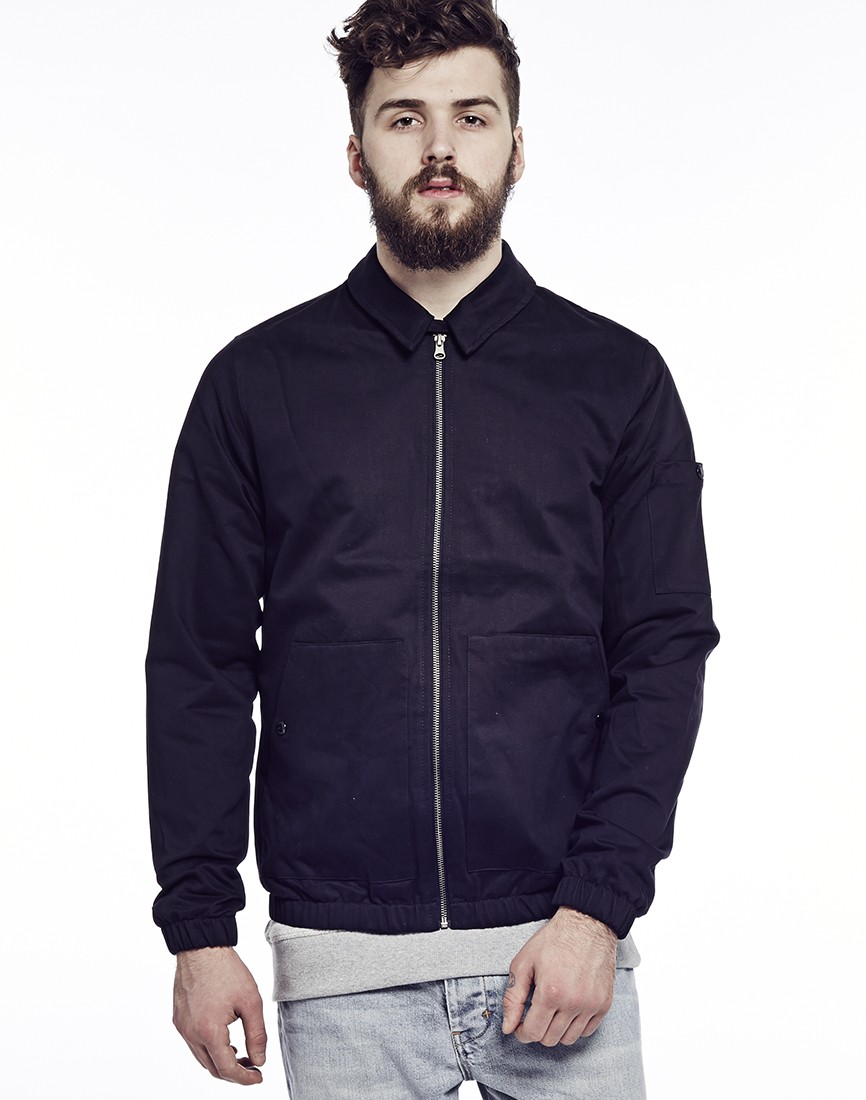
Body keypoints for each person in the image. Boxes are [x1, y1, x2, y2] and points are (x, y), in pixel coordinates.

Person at [145, 1, 720, 1095]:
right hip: (343, 970)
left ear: (518, 146)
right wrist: (199, 927)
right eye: (405, 119)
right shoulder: (255, 384)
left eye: (472, 116)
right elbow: (198, 664)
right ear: (356, 153)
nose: (441, 148)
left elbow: (661, 655)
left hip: (559, 953)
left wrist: (597, 908)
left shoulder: (617, 380)